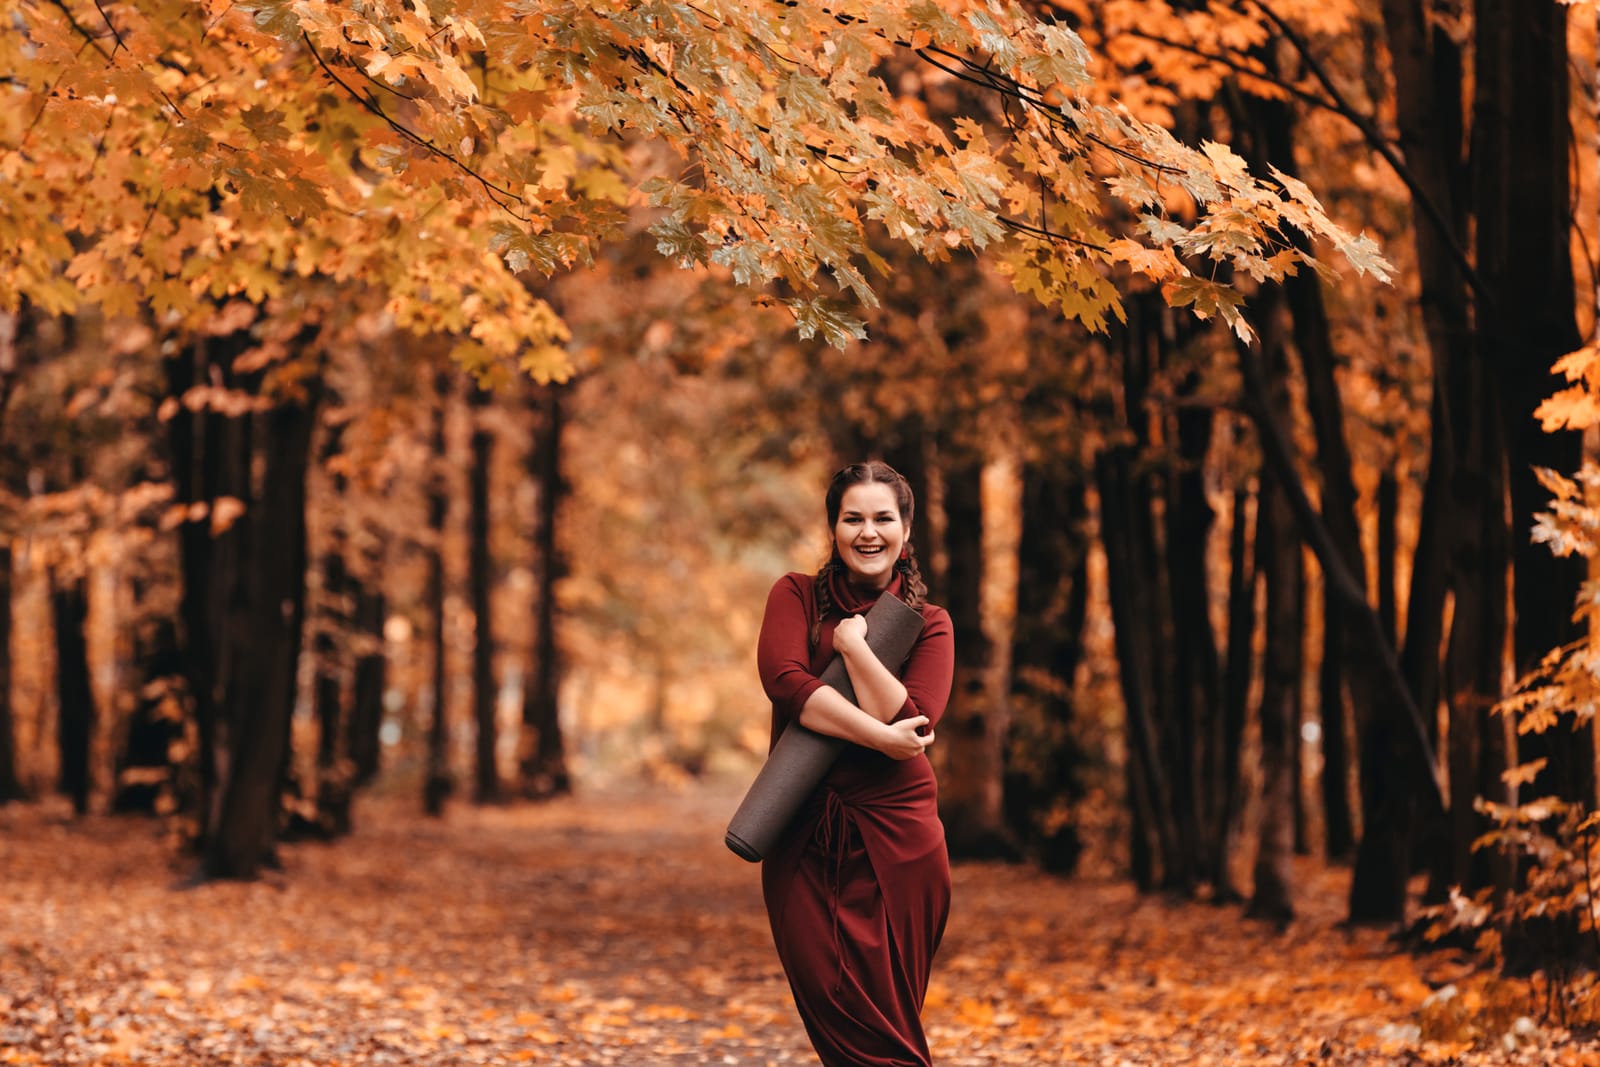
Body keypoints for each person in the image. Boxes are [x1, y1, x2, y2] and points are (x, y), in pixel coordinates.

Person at [756, 460, 956, 1067]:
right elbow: (787, 684)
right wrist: (880, 737)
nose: (868, 532)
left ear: (905, 531)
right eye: (853, 518)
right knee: (838, 1012)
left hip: (902, 843)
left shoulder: (930, 624)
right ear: (834, 528)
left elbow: (916, 715)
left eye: (883, 518)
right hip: (804, 832)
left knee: (887, 1025)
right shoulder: (794, 595)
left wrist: (854, 648)